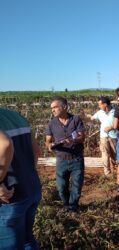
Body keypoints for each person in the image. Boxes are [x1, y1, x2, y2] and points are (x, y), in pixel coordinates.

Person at [0, 108, 42, 249]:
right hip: (32, 187)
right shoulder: (15, 116)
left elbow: (5, 144)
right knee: (27, 239)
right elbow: (36, 151)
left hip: (9, 197)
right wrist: (27, 173)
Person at [45, 96, 85, 213]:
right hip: (61, 159)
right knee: (61, 187)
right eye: (51, 108)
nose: (53, 110)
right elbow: (48, 140)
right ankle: (66, 205)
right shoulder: (52, 124)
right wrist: (50, 145)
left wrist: (73, 140)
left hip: (76, 159)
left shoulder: (76, 119)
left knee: (76, 186)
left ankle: (73, 208)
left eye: (55, 107)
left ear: (65, 107)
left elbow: (82, 136)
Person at [91, 96, 118, 176]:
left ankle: (114, 169)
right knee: (105, 154)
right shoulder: (100, 112)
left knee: (114, 154)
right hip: (103, 136)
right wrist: (87, 117)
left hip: (114, 136)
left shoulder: (115, 111)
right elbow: (92, 118)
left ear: (105, 104)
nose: (99, 106)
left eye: (100, 104)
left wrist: (111, 127)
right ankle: (107, 172)